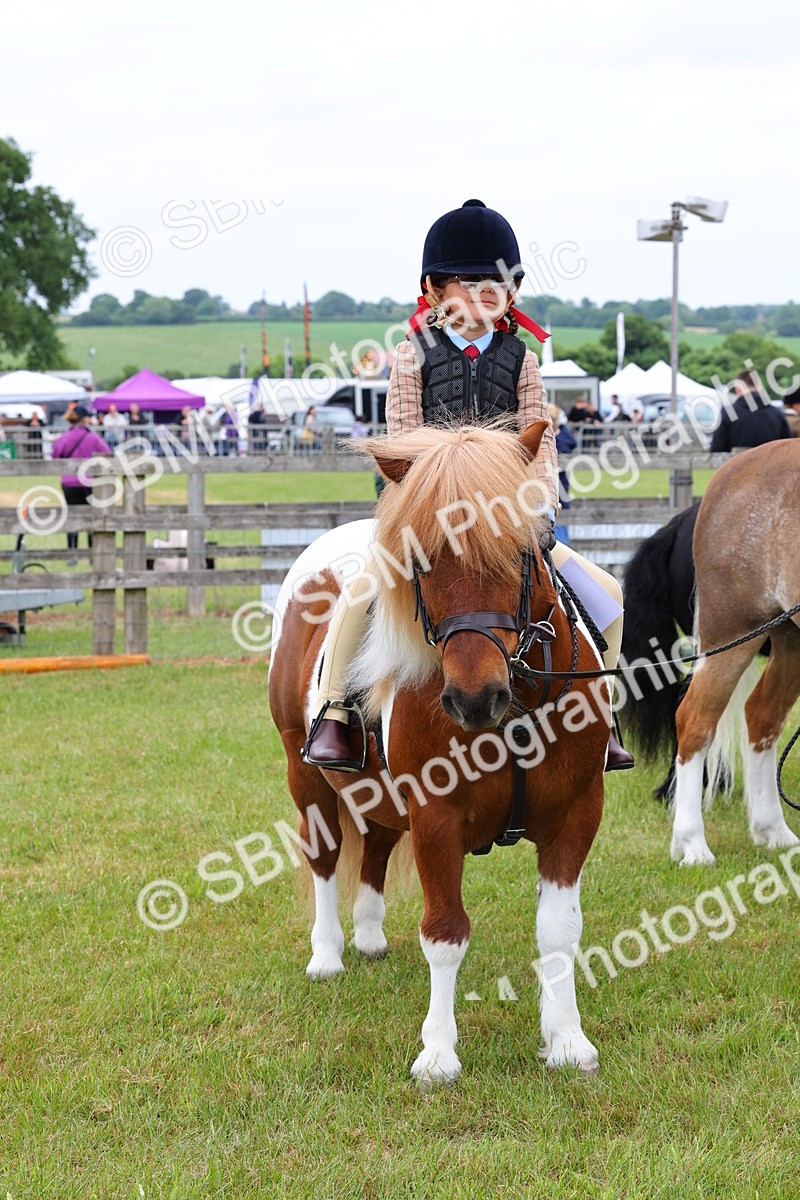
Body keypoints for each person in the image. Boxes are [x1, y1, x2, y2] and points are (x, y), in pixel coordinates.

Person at [304, 198, 633, 772]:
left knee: (605, 596)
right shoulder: (411, 359)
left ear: (513, 294)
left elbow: (541, 434)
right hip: (427, 517)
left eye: (495, 289)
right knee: (359, 594)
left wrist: (540, 500)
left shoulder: (522, 359)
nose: (483, 300)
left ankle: (600, 714)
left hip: (507, 520)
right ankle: (336, 713)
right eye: (468, 286)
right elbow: (404, 439)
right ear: (433, 292)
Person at [51, 405, 111, 564]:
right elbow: (107, 453)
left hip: (69, 483)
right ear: (85, 419)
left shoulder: (64, 437)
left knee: (72, 517)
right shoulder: (93, 437)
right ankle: (94, 555)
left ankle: (72, 554)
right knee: (92, 517)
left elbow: (55, 456)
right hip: (90, 482)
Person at [710, 368, 792, 451]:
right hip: (772, 463)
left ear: (738, 389)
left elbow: (717, 449)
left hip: (738, 463)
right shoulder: (777, 414)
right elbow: (788, 448)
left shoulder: (728, 412)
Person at [549, 403, 576, 545]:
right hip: (546, 491)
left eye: (553, 420)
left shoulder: (563, 437)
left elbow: (563, 460)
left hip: (561, 489)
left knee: (562, 535)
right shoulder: (547, 437)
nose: (552, 423)